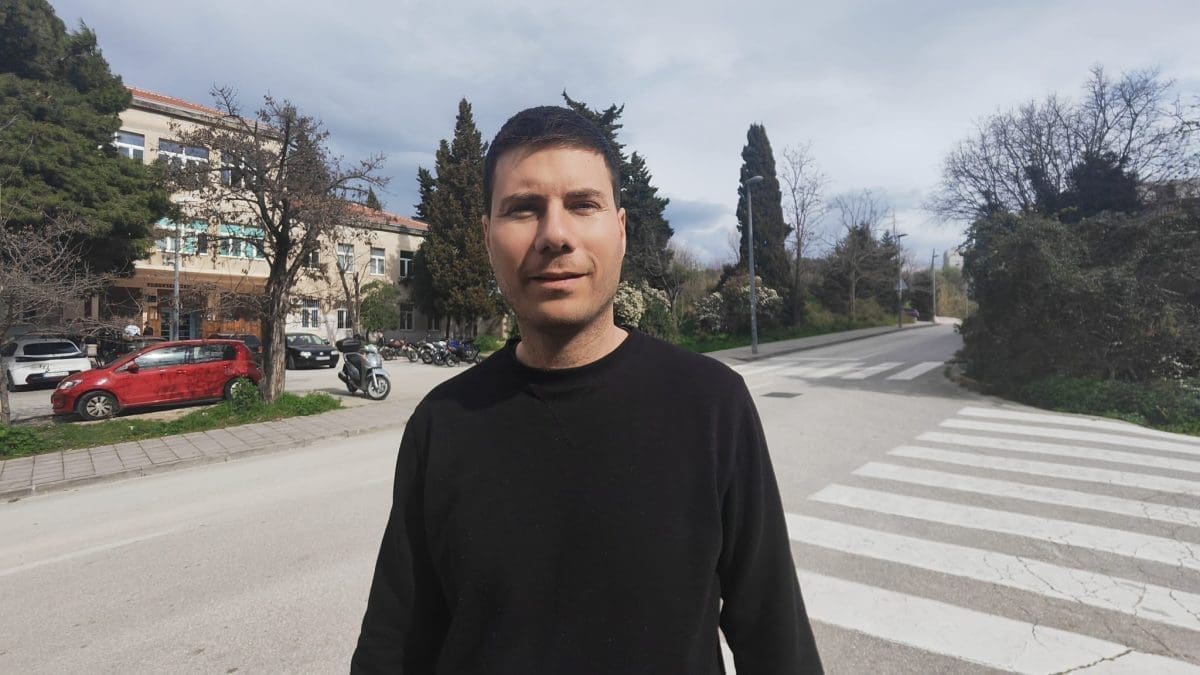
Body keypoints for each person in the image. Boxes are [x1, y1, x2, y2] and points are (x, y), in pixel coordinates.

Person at [351, 106, 822, 674]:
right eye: (523, 209)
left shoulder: (712, 405)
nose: (555, 235)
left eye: (582, 204)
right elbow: (394, 647)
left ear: (620, 230)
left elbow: (775, 639)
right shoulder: (443, 422)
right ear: (486, 237)